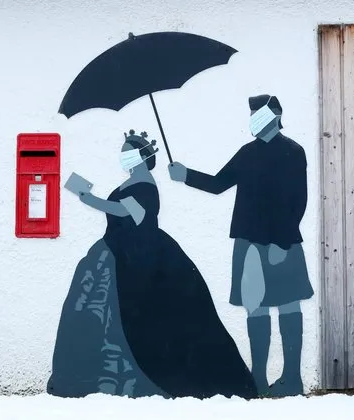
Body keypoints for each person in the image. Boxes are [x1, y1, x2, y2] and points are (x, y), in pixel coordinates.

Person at [47, 130, 258, 400]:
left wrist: (91, 200)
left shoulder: (146, 185)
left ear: (143, 156)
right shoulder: (131, 182)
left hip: (141, 258)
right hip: (117, 251)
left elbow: (128, 212)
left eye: (128, 151)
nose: (123, 155)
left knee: (151, 319)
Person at [168, 95, 314, 397]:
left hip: (282, 243)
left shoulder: (293, 152)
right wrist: (186, 176)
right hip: (248, 242)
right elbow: (219, 183)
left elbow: (298, 200)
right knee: (255, 308)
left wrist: (283, 241)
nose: (252, 118)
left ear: (275, 114)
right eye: (250, 113)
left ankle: (292, 379)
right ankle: (257, 378)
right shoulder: (247, 153)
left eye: (257, 113)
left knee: (288, 305)